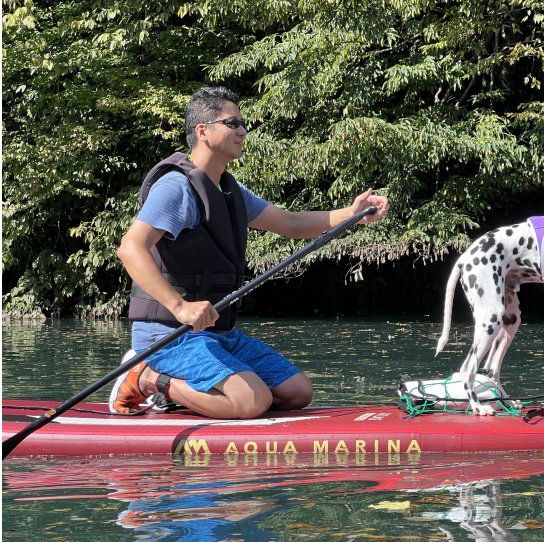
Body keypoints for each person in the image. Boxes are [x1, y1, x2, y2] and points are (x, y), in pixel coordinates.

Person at [109, 86, 389, 418]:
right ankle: (145, 377)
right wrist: (179, 307)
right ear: (203, 131)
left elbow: (291, 222)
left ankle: (187, 391)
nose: (242, 131)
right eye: (232, 123)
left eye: (243, 124)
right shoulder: (176, 188)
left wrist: (352, 214)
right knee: (251, 402)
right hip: (170, 335)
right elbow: (130, 248)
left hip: (217, 333)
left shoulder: (229, 191)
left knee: (297, 392)